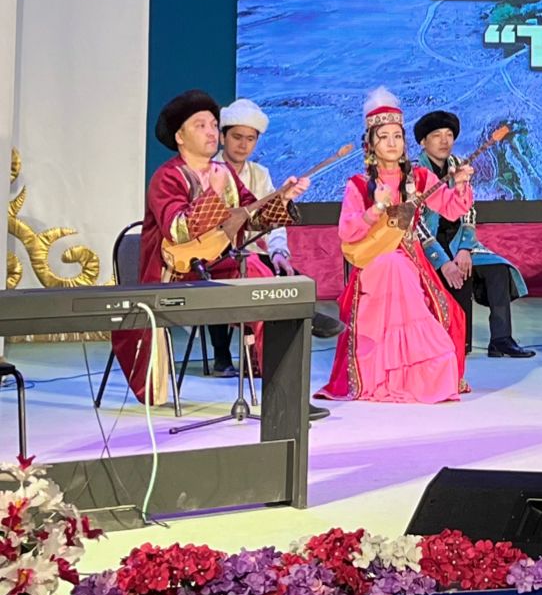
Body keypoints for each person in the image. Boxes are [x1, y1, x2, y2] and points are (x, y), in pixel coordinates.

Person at [110, 91, 320, 416]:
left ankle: (286, 398)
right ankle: (295, 324)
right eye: (200, 125)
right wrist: (214, 192)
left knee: (265, 282)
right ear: (180, 136)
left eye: (212, 124)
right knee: (261, 279)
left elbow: (254, 217)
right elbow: (178, 230)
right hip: (176, 276)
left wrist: (283, 198)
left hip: (220, 268)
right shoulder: (168, 177)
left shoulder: (225, 173)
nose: (210, 132)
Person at [317, 89, 469, 403]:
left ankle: (418, 376)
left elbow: (452, 209)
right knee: (392, 265)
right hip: (374, 261)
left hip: (413, 260)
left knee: (441, 305)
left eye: (397, 136)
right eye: (383, 137)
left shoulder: (419, 177)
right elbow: (347, 231)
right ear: (371, 144)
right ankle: (385, 375)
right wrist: (375, 209)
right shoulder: (359, 184)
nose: (391, 143)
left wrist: (462, 184)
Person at [216, 98, 344, 378]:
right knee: (242, 272)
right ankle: (226, 355)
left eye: (250, 139)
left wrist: (278, 253)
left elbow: (271, 221)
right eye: (237, 137)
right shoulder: (210, 172)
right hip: (217, 257)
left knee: (286, 274)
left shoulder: (259, 174)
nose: (243, 144)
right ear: (222, 137)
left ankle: (275, 351)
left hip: (252, 252)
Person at [413, 110, 534, 359]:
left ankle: (501, 339)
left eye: (449, 135)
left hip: (458, 240)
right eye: (436, 135)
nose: (444, 141)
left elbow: (468, 209)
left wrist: (465, 249)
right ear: (423, 142)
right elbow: (416, 223)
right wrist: (442, 261)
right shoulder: (414, 172)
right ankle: (457, 341)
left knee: (498, 269)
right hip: (428, 244)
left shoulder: (458, 165)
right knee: (453, 275)